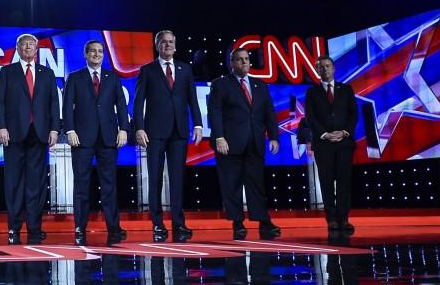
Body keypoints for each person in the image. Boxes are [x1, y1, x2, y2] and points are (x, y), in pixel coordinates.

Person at [133, 31, 203, 243]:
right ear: (157, 46)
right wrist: (139, 128)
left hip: (179, 132)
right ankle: (158, 225)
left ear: (175, 45)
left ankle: (179, 224)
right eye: (163, 42)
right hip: (154, 132)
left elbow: (192, 99)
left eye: (171, 42)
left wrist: (198, 124)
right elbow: (138, 102)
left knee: (177, 179)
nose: (168, 45)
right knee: (154, 178)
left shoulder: (185, 69)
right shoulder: (147, 70)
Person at [209, 48, 282, 240]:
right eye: (239, 60)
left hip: (255, 141)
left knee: (256, 184)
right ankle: (237, 223)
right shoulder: (221, 84)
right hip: (229, 142)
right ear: (231, 63)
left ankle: (263, 222)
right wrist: (219, 137)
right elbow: (214, 112)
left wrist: (273, 136)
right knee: (231, 184)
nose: (244, 62)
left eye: (247, 59)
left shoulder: (260, 85)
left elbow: (269, 112)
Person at [0, 33, 60, 244]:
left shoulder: (47, 73)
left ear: (37, 49)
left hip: (39, 133)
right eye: (24, 45)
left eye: (32, 45)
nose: (28, 48)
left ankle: (34, 227)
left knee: (36, 183)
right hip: (13, 133)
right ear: (18, 48)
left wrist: (54, 129)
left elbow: (53, 103)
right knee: (13, 181)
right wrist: (1, 127)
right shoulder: (7, 72)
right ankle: (14, 227)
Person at [63, 40, 130, 245]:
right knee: (82, 185)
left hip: (108, 138)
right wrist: (70, 130)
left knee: (109, 185)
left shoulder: (113, 77)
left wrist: (124, 130)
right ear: (86, 54)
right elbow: (67, 107)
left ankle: (113, 227)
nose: (97, 54)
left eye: (100, 51)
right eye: (93, 51)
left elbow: (121, 105)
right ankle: (80, 228)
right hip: (82, 138)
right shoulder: (74, 77)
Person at [304, 55, 358, 235]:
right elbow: (311, 117)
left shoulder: (346, 89)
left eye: (327, 66)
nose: (325, 69)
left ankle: (344, 218)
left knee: (344, 181)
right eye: (321, 67)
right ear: (317, 71)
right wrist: (325, 134)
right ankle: (332, 219)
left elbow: (353, 115)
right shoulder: (312, 93)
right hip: (323, 144)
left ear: (333, 69)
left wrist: (344, 132)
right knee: (326, 182)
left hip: (344, 143)